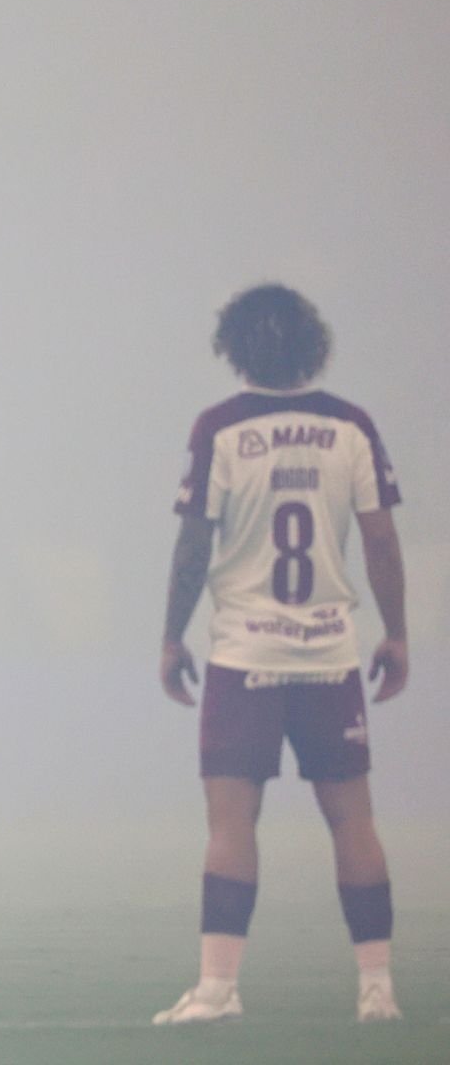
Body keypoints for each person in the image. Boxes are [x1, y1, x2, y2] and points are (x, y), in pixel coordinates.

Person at [154, 284, 407, 1024]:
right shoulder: (351, 426)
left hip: (244, 654)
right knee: (353, 820)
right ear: (313, 345)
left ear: (232, 348)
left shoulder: (221, 430)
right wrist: (396, 632)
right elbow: (382, 539)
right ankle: (377, 990)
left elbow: (194, 540)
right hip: (330, 653)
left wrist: (172, 635)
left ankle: (217, 990)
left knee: (232, 823)